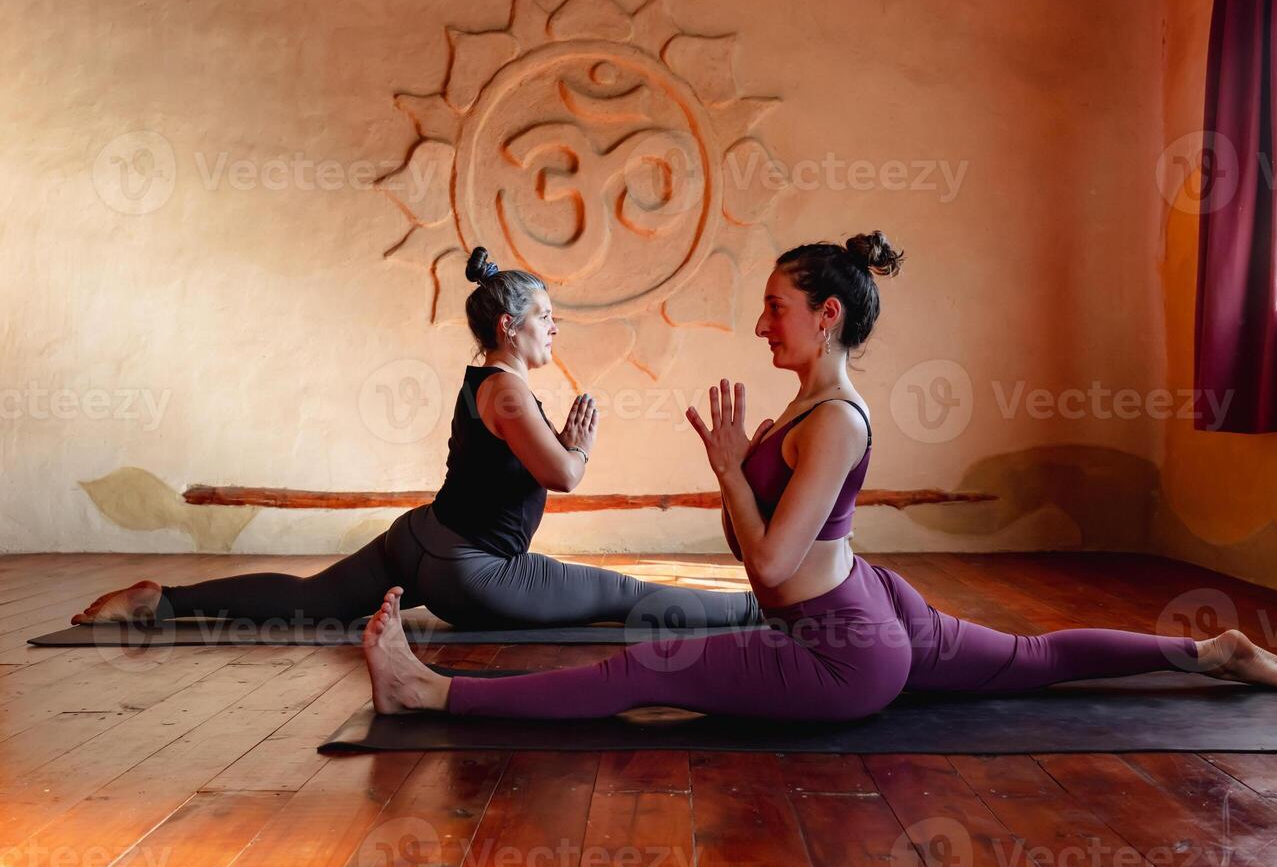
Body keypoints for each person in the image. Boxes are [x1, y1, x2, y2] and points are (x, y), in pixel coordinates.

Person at [359, 230, 1277, 718]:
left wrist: (733, 474)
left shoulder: (832, 425)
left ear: (826, 315)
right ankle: (1208, 656)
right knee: (1031, 663)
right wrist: (735, 474)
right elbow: (762, 556)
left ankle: (432, 695)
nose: (761, 322)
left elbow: (771, 572)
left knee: (633, 673)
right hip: (872, 604)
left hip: (839, 647)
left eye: (776, 306)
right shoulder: (806, 408)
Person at [71, 257, 763, 633]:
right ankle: (762, 609)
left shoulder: (486, 383)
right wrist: (578, 448)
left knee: (312, 602)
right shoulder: (512, 392)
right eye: (546, 318)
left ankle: (162, 599)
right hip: (474, 575)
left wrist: (564, 447)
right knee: (623, 594)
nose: (556, 330)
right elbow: (566, 478)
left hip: (419, 540)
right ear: (508, 323)